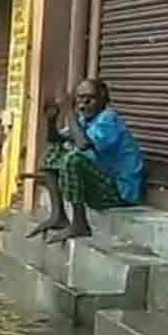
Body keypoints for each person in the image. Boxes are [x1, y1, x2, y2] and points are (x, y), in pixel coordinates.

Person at [28, 77, 145, 242]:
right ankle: (58, 215)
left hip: (120, 193)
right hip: (103, 184)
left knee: (73, 160)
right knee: (52, 153)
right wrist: (51, 120)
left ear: (103, 99)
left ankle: (80, 224)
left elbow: (82, 144)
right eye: (80, 99)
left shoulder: (109, 119)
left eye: (90, 99)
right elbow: (56, 140)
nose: (83, 105)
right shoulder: (85, 120)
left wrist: (69, 110)